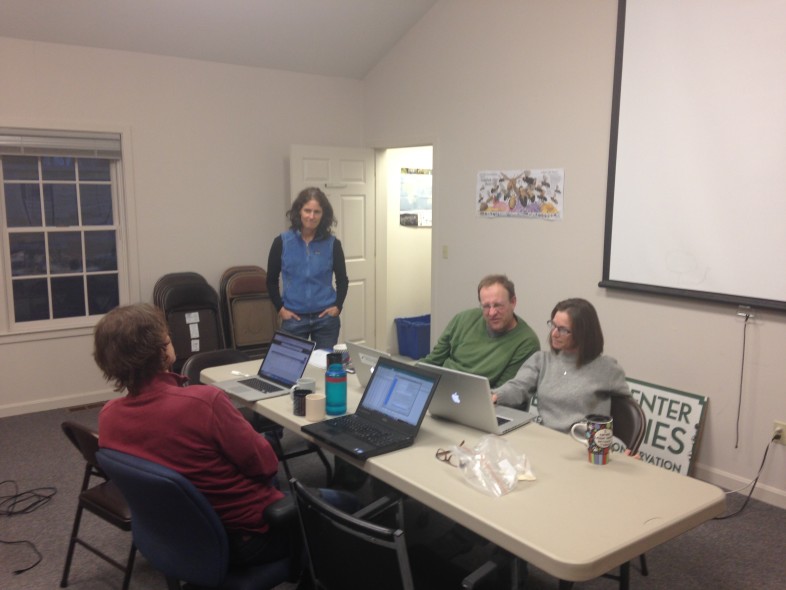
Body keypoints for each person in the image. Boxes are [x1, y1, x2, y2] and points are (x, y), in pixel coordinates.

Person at [94, 303, 354, 569]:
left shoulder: (109, 416)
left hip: (177, 536)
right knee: (350, 503)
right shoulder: (204, 402)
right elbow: (266, 465)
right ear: (162, 352)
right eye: (168, 338)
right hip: (248, 538)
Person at [493, 297, 632, 434]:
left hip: (583, 445)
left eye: (563, 330)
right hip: (547, 438)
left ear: (583, 333)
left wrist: (630, 449)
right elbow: (518, 387)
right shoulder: (542, 360)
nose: (554, 333)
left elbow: (630, 414)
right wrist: (495, 396)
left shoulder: (607, 369)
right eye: (553, 325)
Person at [420, 274, 540, 388]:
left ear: (513, 302)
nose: (492, 313)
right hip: (442, 389)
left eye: (498, 305)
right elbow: (432, 362)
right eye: (486, 306)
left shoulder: (526, 342)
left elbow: (505, 392)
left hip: (483, 402)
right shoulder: (462, 319)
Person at [267, 187, 349, 350]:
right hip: (294, 319)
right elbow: (270, 280)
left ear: (323, 215)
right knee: (291, 368)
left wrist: (338, 306)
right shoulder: (282, 242)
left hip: (325, 320)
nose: (311, 216)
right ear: (299, 211)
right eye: (307, 210)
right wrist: (280, 309)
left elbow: (342, 280)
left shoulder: (333, 244)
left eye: (317, 212)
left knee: (323, 369)